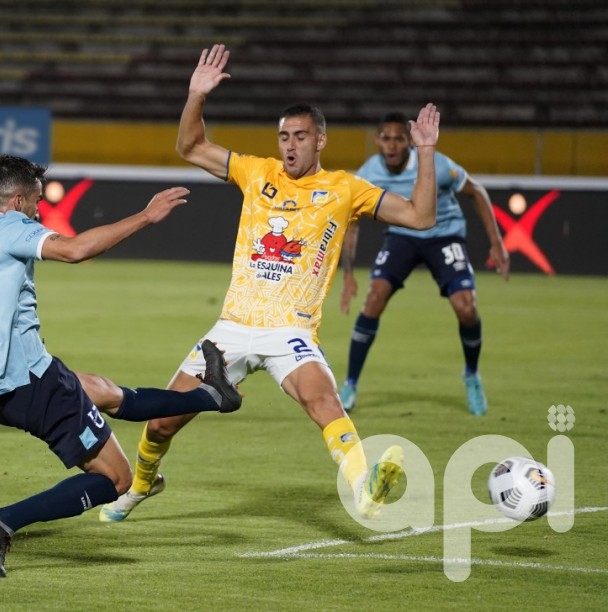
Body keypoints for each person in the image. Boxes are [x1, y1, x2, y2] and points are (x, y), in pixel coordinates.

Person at [99, 44, 440, 524]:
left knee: (322, 399)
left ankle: (365, 488)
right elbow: (190, 147)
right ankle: (140, 484)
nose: (290, 146)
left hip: (289, 330)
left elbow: (422, 216)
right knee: (160, 423)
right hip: (233, 327)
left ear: (320, 140)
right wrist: (196, 95)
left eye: (300, 136)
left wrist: (425, 151)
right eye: (284, 137)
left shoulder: (346, 188)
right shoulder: (257, 171)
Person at [0, 154, 242, 578]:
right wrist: (147, 217)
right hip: (31, 383)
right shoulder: (10, 227)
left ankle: (211, 395)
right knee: (117, 480)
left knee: (103, 390)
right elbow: (76, 250)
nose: (38, 211)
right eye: (36, 202)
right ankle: (1, 520)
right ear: (17, 200)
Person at [338, 112, 510, 416]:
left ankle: (471, 376)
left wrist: (497, 243)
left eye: (399, 139)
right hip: (402, 237)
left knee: (466, 307)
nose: (392, 145)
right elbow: (352, 223)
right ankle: (350, 384)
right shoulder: (369, 173)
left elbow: (477, 192)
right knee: (373, 298)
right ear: (377, 140)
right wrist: (349, 274)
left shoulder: (437, 165)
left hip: (444, 235)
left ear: (410, 142)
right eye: (386, 138)